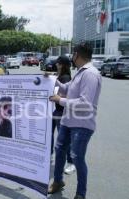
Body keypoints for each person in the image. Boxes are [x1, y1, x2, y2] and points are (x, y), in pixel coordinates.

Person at [48, 42, 102, 199]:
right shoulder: (80, 72)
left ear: (77, 55)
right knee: (60, 151)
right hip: (68, 121)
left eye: (73, 54)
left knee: (77, 157)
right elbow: (66, 88)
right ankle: (58, 181)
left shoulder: (90, 74)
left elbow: (85, 104)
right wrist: (51, 79)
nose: (72, 56)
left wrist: (60, 100)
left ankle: (80, 193)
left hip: (82, 125)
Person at [50, 55, 75, 175]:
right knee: (49, 134)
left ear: (63, 65)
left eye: (58, 63)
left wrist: (58, 98)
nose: (56, 65)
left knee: (64, 139)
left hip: (62, 112)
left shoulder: (66, 78)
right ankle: (49, 155)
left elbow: (69, 96)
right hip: (55, 110)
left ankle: (71, 162)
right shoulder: (58, 76)